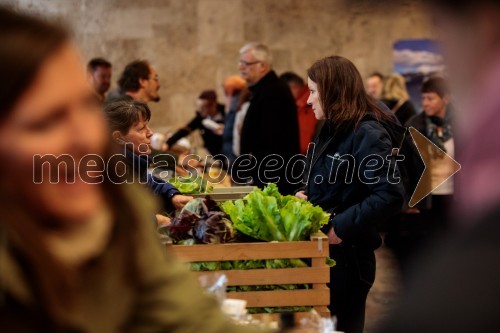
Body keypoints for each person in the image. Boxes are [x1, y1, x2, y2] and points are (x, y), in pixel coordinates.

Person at [0, 7, 262, 333]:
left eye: (84, 108)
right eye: (47, 121)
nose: (86, 138)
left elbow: (186, 316)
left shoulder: (120, 215)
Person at [297, 55, 404, 333]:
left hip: (349, 259)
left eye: (313, 91)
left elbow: (388, 195)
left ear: (332, 91)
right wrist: (308, 195)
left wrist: (340, 227)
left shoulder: (367, 131)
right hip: (329, 256)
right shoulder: (332, 127)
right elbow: (330, 180)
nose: (308, 101)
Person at [385, 76, 454, 278]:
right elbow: (403, 167)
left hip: (455, 199)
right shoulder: (414, 124)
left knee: (452, 250)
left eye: (430, 98)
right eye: (423, 98)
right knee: (426, 253)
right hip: (426, 201)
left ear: (446, 98)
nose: (424, 103)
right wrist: (408, 200)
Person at [103, 100, 192, 213]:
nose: (150, 133)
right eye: (141, 128)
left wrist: (173, 195)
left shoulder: (135, 163)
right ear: (118, 138)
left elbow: (150, 182)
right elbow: (122, 216)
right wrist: (155, 220)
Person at [237, 42, 300, 195]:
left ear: (262, 66)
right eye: (240, 63)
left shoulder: (274, 92)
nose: (240, 67)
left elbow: (273, 142)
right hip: (267, 175)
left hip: (274, 179)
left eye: (246, 63)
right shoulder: (265, 89)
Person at [166, 90, 225, 157]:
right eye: (199, 107)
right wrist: (168, 143)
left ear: (213, 104)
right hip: (216, 155)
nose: (201, 110)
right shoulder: (200, 118)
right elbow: (185, 130)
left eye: (203, 107)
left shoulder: (226, 113)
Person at [280, 71, 318, 155]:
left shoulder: (305, 105)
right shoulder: (298, 104)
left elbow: (304, 142)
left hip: (304, 157)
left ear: (295, 87)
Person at [221, 75, 247, 166]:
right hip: (232, 152)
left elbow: (235, 129)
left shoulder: (238, 102)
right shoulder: (234, 101)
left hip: (235, 154)